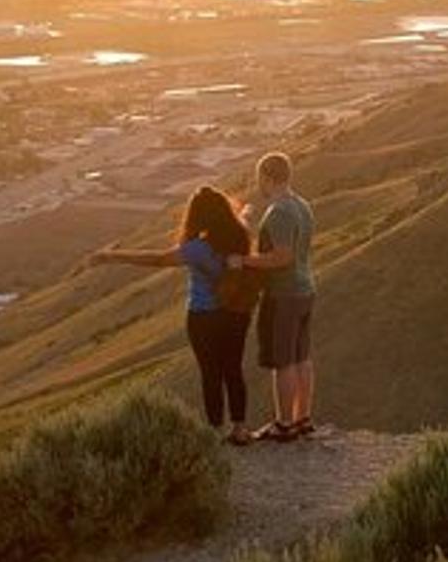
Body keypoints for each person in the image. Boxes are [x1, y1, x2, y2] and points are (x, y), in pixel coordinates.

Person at [89, 185, 255, 445]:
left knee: (210, 373)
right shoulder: (240, 236)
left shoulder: (197, 249)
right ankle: (240, 428)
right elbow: (243, 219)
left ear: (198, 215)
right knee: (233, 369)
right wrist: (245, 212)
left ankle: (215, 430)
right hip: (236, 313)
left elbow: (157, 259)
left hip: (204, 317)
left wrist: (111, 256)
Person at [233, 151, 317, 441]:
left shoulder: (279, 211)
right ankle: (303, 419)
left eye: (259, 178)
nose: (258, 184)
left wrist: (243, 261)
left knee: (283, 362)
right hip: (305, 289)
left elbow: (282, 257)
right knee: (302, 357)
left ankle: (283, 425)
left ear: (267, 177)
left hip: (283, 294)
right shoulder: (302, 205)